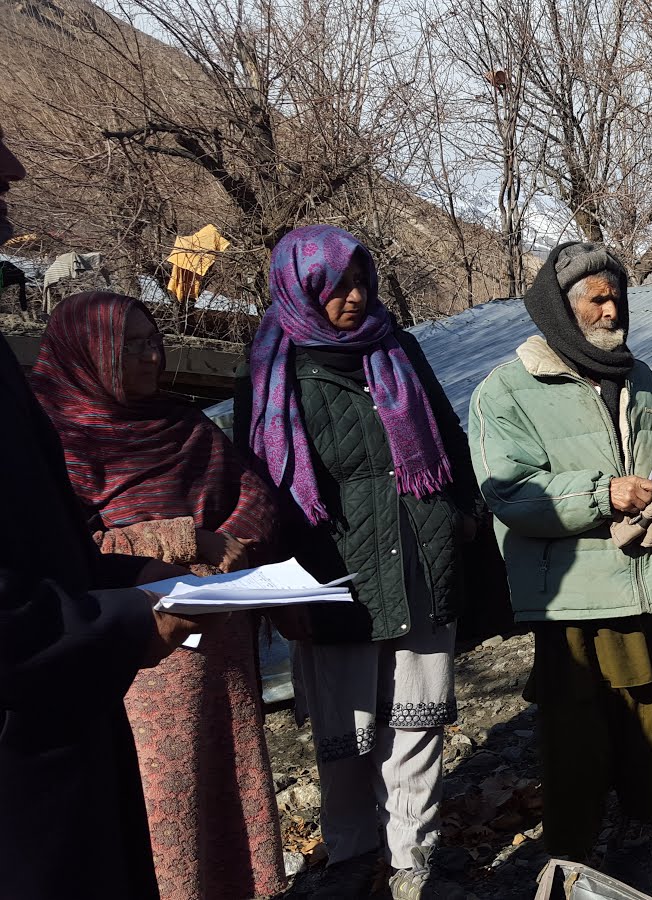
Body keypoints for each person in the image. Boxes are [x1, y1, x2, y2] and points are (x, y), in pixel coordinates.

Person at [236, 225, 482, 900]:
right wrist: (279, 579)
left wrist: (463, 513)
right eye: (337, 285)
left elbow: (449, 438)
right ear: (302, 287)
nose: (354, 296)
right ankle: (350, 854)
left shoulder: (395, 347)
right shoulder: (272, 364)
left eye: (361, 281)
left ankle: (413, 857)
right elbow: (256, 477)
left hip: (419, 560)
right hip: (334, 575)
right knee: (347, 733)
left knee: (417, 723)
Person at [1, 126, 207, 900]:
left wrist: (126, 572)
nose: (15, 170)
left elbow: (38, 536)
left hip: (68, 718)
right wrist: (124, 619)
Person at [469, 241, 652, 865]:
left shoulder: (647, 383)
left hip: (650, 581)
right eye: (597, 300)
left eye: (618, 298)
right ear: (560, 308)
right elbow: (509, 491)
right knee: (576, 730)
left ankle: (645, 841)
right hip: (572, 598)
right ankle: (573, 857)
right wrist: (605, 493)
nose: (612, 311)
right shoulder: (507, 391)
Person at [30, 291, 286, 900]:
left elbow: (254, 496)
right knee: (160, 809)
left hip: (219, 643)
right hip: (137, 653)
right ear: (88, 353)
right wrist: (183, 537)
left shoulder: (185, 425)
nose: (152, 357)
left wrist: (232, 544)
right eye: (132, 346)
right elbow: (68, 548)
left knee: (227, 796)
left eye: (155, 342)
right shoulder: (50, 437)